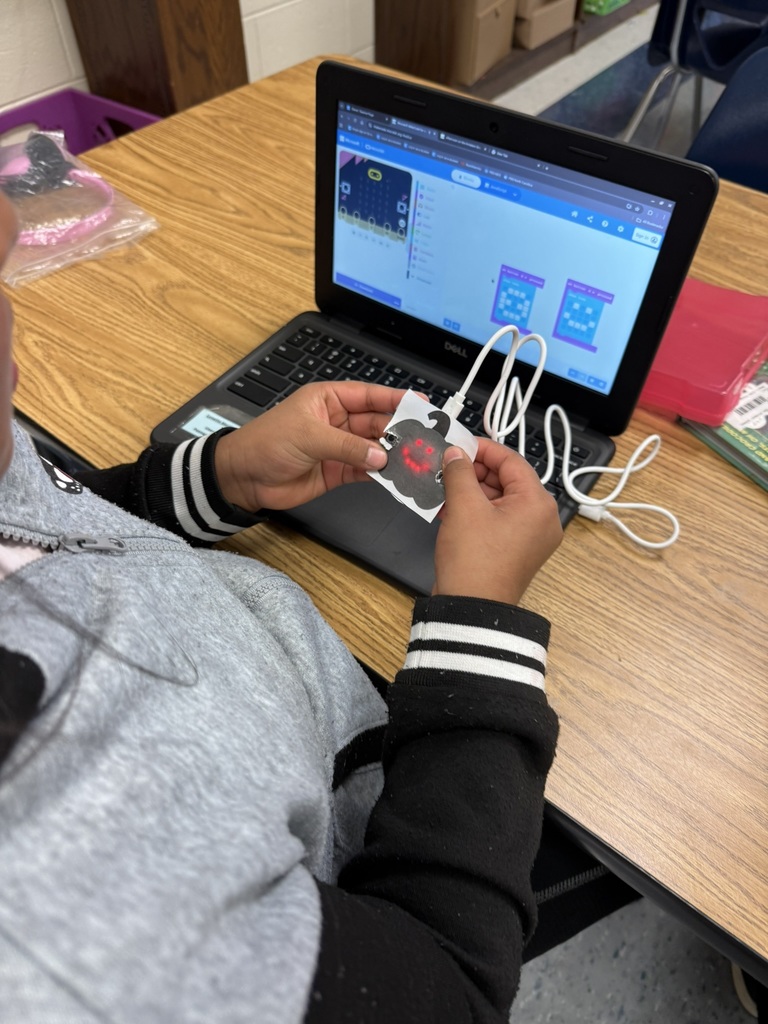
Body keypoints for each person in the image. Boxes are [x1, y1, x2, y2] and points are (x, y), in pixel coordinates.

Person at [0, 185, 616, 1024]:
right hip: (387, 843)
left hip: (299, 695)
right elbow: (452, 989)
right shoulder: (72, 933)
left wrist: (217, 478)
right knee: (619, 847)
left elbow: (55, 520)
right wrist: (481, 618)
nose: (8, 225)